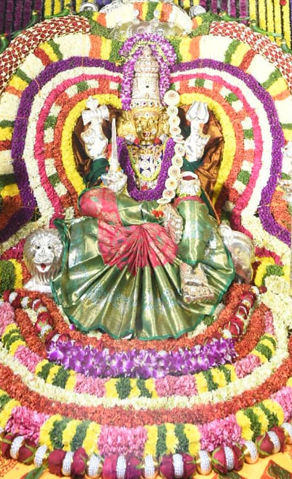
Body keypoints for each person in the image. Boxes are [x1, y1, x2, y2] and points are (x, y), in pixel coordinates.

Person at [51, 39, 235, 340]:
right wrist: (105, 169)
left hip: (168, 217)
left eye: (152, 117)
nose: (146, 125)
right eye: (139, 117)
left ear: (163, 116)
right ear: (129, 117)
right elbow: (96, 190)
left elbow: (187, 177)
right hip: (126, 215)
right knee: (90, 201)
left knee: (192, 204)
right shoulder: (118, 147)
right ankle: (145, 217)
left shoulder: (174, 145)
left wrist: (195, 146)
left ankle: (190, 270)